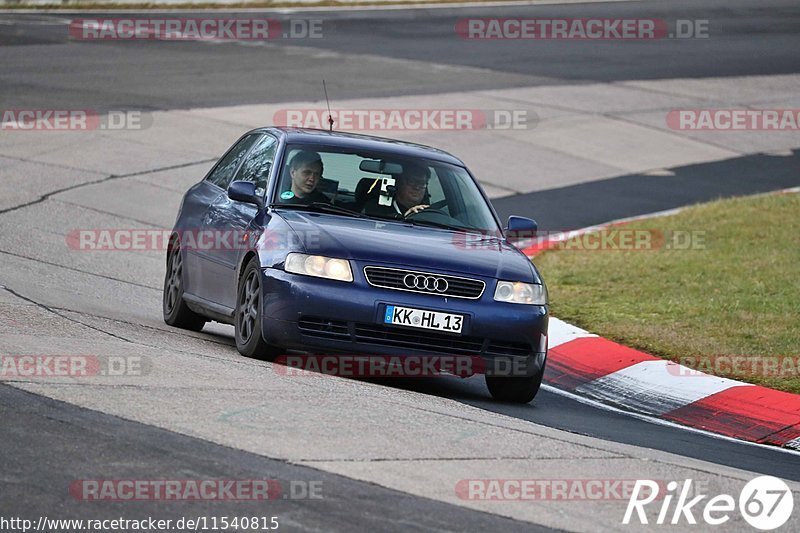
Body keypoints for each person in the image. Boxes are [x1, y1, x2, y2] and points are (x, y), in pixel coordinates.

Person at [362, 162, 430, 219]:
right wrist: (405, 218)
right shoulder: (374, 209)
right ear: (399, 183)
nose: (417, 187)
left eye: (422, 183)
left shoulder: (430, 213)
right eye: (412, 181)